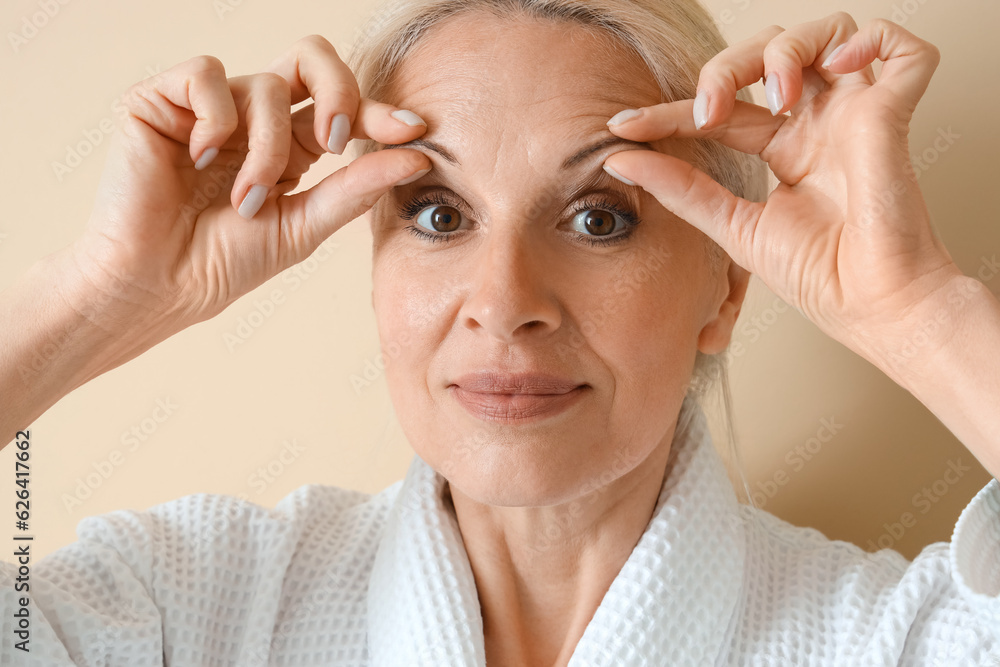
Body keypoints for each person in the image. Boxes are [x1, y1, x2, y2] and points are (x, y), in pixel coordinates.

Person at [2, 0, 999, 664]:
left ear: (725, 288)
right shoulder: (187, 608)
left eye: (598, 216)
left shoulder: (890, 641)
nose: (503, 298)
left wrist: (913, 305)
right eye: (438, 213)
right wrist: (97, 296)